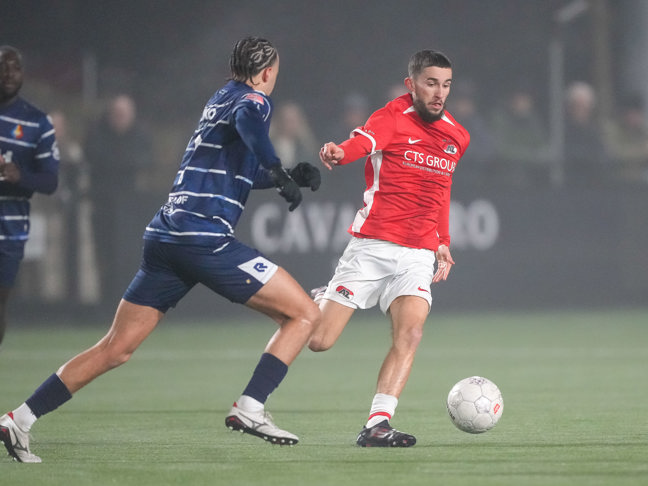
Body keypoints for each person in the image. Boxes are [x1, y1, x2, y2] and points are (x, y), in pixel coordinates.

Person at [0, 37, 322, 463]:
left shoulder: (219, 100)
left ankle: (19, 419)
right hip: (203, 238)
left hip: (166, 235)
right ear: (267, 72)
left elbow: (234, 169)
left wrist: (287, 176)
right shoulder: (253, 101)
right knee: (304, 313)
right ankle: (251, 406)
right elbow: (250, 120)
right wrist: (277, 168)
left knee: (116, 348)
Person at [309, 50, 469, 447]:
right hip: (373, 246)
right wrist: (338, 153)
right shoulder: (392, 117)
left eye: (446, 85)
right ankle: (318, 301)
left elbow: (442, 188)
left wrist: (442, 241)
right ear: (411, 84)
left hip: (417, 254)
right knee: (319, 341)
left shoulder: (457, 136)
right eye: (431, 83)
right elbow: (360, 143)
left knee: (410, 333)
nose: (439, 93)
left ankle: (377, 424)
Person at [0, 45, 59, 346]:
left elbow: (50, 181)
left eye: (15, 67)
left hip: (9, 229)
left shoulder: (37, 122)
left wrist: (19, 175)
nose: (9, 74)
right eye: (3, 67)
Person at [84, 93, 155, 305]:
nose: (120, 119)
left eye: (124, 114)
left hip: (133, 209)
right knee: (104, 255)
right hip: (103, 206)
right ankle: (105, 301)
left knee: (133, 254)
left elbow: (145, 161)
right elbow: (96, 158)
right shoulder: (98, 134)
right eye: (117, 114)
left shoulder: (141, 135)